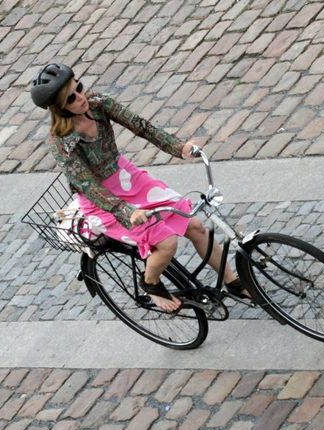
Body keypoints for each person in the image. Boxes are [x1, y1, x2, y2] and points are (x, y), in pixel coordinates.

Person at [30, 63, 249, 311]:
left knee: (196, 226)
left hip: (127, 178)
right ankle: (151, 283)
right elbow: (87, 185)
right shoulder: (60, 142)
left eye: (79, 87)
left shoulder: (99, 104)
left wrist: (179, 147)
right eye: (71, 97)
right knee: (166, 244)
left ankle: (233, 282)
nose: (81, 97)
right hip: (103, 203)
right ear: (59, 107)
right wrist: (126, 212)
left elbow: (142, 127)